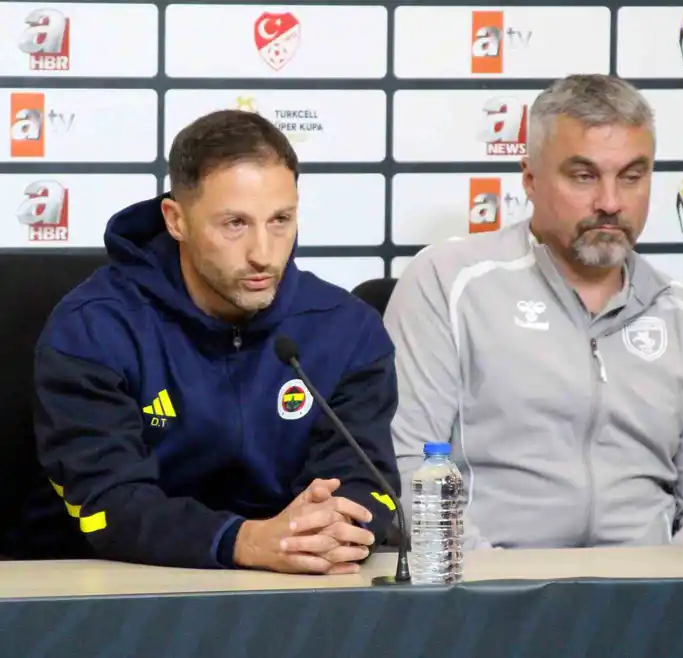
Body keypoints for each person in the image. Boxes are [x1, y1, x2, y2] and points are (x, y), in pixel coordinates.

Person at [8, 109, 401, 573]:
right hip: (105, 588)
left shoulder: (347, 329)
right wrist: (242, 541)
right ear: (176, 220)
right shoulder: (92, 328)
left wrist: (334, 526)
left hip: (299, 584)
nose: (263, 254)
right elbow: (108, 502)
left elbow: (366, 480)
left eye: (280, 220)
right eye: (235, 223)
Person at [384, 74, 683, 549]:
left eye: (632, 176)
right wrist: (501, 583)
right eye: (584, 176)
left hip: (649, 587)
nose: (610, 203)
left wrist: (666, 585)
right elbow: (406, 468)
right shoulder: (447, 282)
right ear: (530, 179)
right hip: (489, 583)